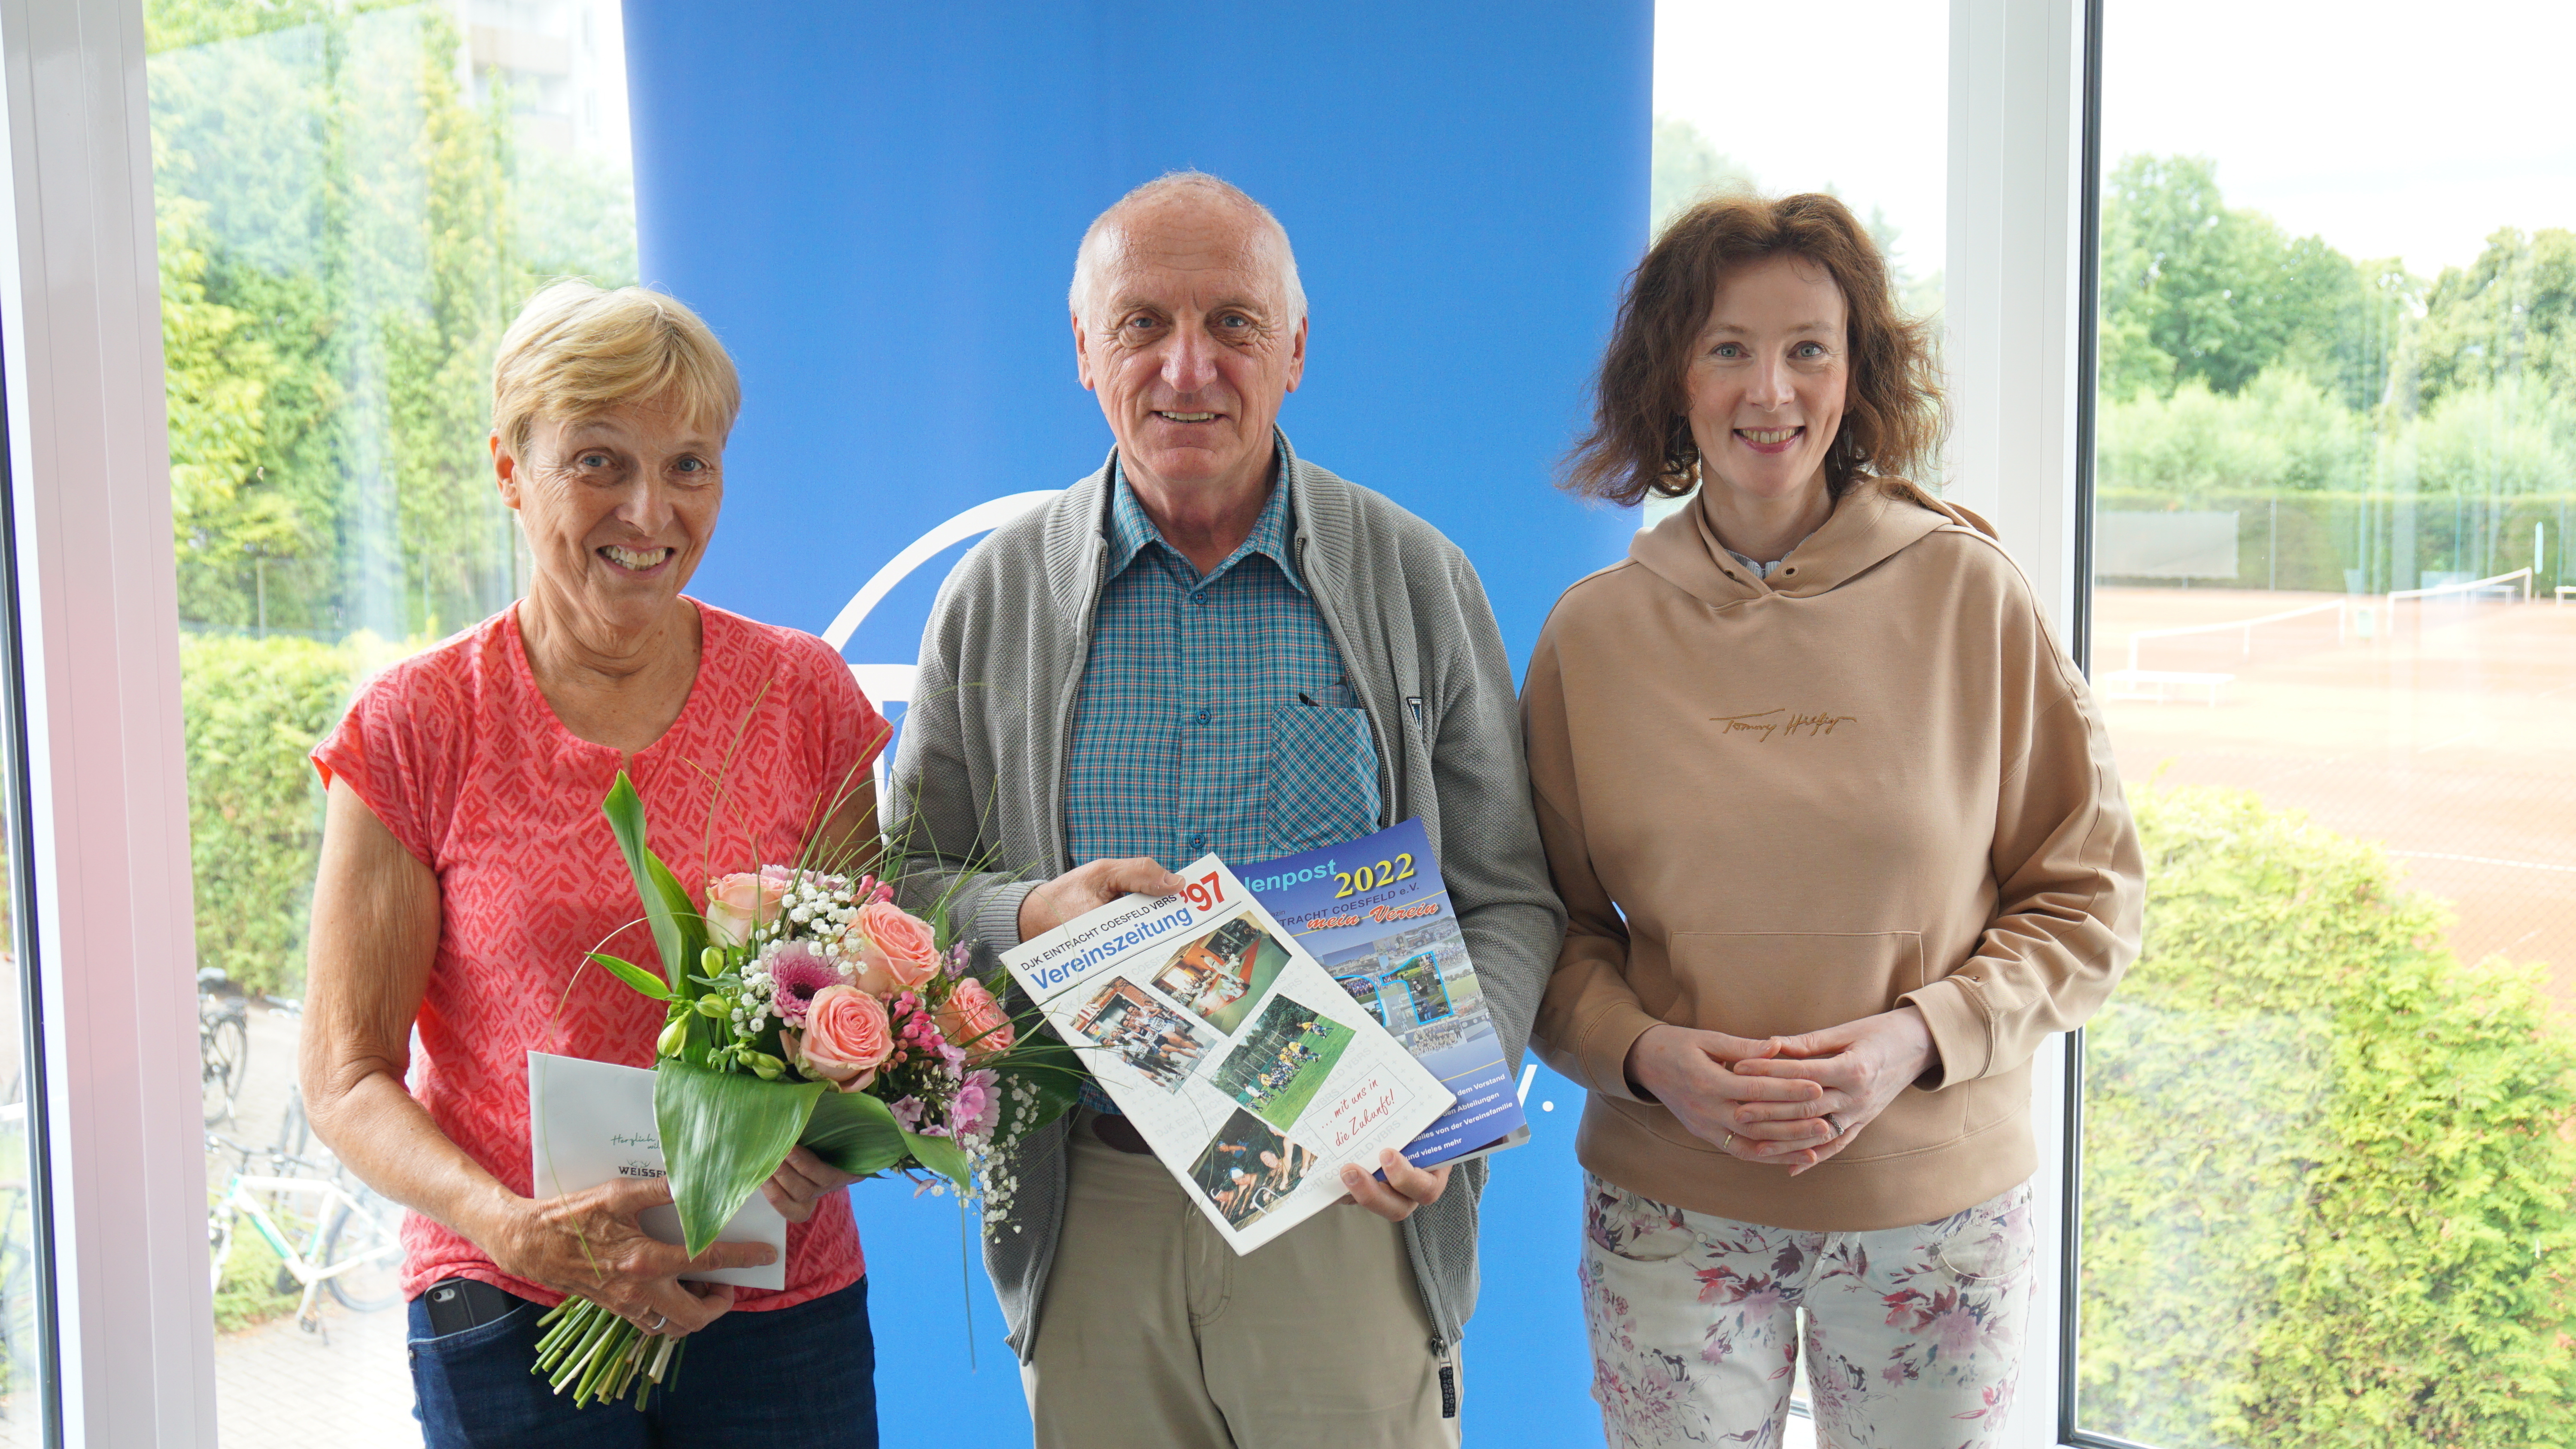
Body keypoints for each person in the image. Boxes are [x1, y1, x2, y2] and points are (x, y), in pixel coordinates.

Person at [886, 171, 1563, 1448]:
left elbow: (1511, 894)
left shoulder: (1417, 578)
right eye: (1142, 323)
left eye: (1233, 324)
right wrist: (1026, 915)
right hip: (1093, 1210)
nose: (1187, 368)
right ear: (1083, 350)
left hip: (1348, 1208)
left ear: (1295, 350)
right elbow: (906, 890)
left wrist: (1447, 1100)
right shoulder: (991, 598)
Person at [1523, 193, 2145, 1449]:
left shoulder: (1972, 594)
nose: (1772, 390)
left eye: (1810, 347)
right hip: (1670, 1212)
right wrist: (1648, 1057)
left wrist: (1916, 1040)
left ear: (1857, 374)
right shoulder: (1593, 634)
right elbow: (1545, 926)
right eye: (1729, 348)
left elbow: (2089, 900)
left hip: (1938, 1218)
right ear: (1674, 380)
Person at [300, 280, 891, 1446]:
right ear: (510, 470)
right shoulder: (417, 725)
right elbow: (346, 1076)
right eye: (598, 462)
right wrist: (509, 1224)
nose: (648, 510)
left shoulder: (803, 695)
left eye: (689, 466)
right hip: (514, 1302)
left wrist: (833, 1137)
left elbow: (870, 1001)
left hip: (778, 1302)